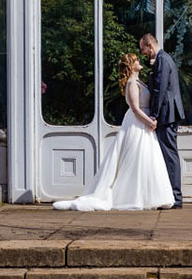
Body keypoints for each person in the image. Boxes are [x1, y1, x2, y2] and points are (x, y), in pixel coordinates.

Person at [52, 53, 175, 211]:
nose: (139, 61)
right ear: (131, 65)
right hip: (138, 123)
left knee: (147, 159)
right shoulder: (132, 83)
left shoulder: (138, 81)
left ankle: (150, 196)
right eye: (136, 60)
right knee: (137, 159)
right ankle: (132, 196)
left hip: (144, 124)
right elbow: (135, 109)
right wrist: (150, 121)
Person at [140, 33, 184, 208]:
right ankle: (170, 195)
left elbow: (160, 89)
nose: (143, 53)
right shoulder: (162, 60)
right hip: (168, 112)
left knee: (169, 155)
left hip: (167, 113)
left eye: (143, 50)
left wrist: (154, 115)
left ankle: (175, 197)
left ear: (150, 45)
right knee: (167, 155)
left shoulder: (163, 60)